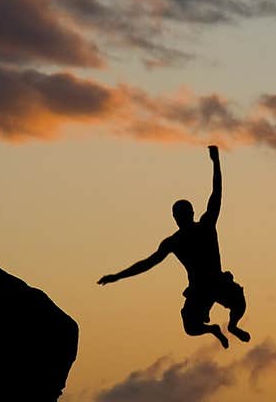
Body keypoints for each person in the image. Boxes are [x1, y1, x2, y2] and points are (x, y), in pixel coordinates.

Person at [98, 146, 249, 350]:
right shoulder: (175, 241)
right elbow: (147, 263)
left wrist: (216, 162)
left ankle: (232, 326)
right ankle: (214, 329)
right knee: (191, 327)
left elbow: (217, 194)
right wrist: (118, 276)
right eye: (178, 216)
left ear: (190, 214)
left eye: (183, 215)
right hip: (199, 290)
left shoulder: (205, 225)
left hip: (216, 282)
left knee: (239, 302)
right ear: (176, 218)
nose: (181, 219)